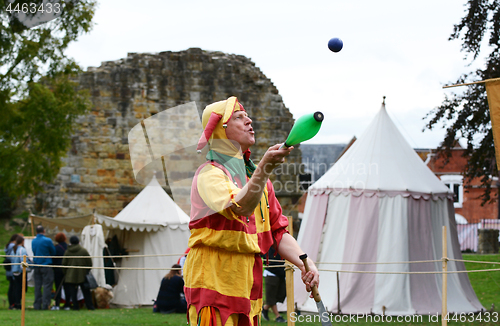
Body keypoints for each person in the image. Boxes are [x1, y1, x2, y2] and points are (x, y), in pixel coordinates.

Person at [183, 96, 319, 326]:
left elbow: (278, 231)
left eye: (247, 116)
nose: (249, 121)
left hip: (248, 280)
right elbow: (241, 207)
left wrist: (306, 263)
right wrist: (265, 168)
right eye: (238, 117)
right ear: (219, 130)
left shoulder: (258, 179)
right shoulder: (209, 174)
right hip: (214, 279)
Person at [62, 235, 95, 311]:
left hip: (70, 275)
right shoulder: (83, 251)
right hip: (82, 274)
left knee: (73, 293)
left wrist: (66, 273)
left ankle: (75, 307)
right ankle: (90, 306)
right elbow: (89, 263)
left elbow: (64, 264)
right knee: (86, 292)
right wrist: (86, 271)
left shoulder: (67, 252)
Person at [31, 225, 56, 310]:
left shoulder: (33, 241)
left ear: (36, 232)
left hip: (36, 264)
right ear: (44, 231)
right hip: (46, 264)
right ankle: (46, 305)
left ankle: (37, 305)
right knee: (47, 285)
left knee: (37, 286)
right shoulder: (47, 240)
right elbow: (53, 251)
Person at [262, 246, 287, 323]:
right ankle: (278, 316)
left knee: (281, 294)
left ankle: (265, 308)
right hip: (271, 273)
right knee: (271, 297)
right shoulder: (269, 245)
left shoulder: (282, 245)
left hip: (282, 274)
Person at [51, 232, 71, 310]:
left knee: (58, 287)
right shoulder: (68, 247)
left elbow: (53, 259)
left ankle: (57, 304)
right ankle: (67, 304)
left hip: (57, 269)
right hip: (66, 270)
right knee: (67, 288)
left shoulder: (55, 248)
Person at [10, 235, 29, 310]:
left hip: (14, 271)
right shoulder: (21, 249)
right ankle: (19, 304)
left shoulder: (14, 249)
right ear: (22, 241)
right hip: (20, 271)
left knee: (17, 288)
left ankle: (17, 303)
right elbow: (23, 260)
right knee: (22, 288)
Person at [5, 234, 19, 309]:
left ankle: (12, 303)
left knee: (11, 287)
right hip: (12, 269)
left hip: (9, 270)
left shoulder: (8, 245)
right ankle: (13, 303)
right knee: (13, 288)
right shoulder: (12, 246)